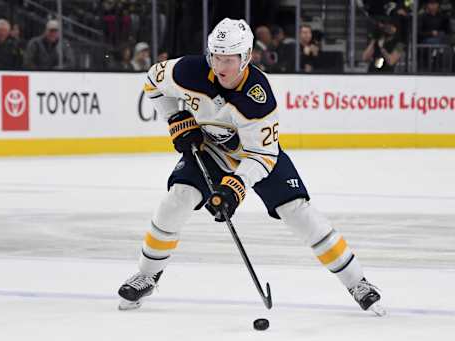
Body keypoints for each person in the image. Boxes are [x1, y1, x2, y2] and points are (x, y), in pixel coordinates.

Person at [117, 18, 385, 316]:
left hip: (256, 154)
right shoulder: (188, 70)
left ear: (245, 58)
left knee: (297, 212)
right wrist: (174, 118)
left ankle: (356, 282)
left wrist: (235, 188)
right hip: (211, 149)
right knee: (177, 199)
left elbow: (263, 156)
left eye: (229, 59)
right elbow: (153, 81)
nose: (220, 66)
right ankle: (147, 274)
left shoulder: (258, 96)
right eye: (216, 56)